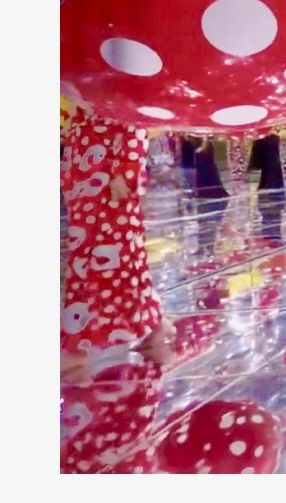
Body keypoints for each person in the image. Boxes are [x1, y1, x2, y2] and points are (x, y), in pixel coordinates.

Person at [60, 100, 175, 384]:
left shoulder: (104, 74)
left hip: (105, 173)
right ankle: (152, 323)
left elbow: (133, 107)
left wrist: (124, 168)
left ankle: (76, 346)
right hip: (85, 169)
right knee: (117, 254)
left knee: (105, 255)